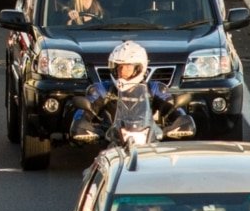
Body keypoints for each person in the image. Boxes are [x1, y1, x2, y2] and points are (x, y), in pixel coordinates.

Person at [68, 40, 196, 144]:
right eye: (119, 67)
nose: (122, 72)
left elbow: (174, 109)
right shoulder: (102, 90)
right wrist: (86, 127)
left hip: (149, 141)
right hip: (113, 143)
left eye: (128, 67)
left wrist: (176, 125)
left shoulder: (155, 89)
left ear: (139, 68)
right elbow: (83, 112)